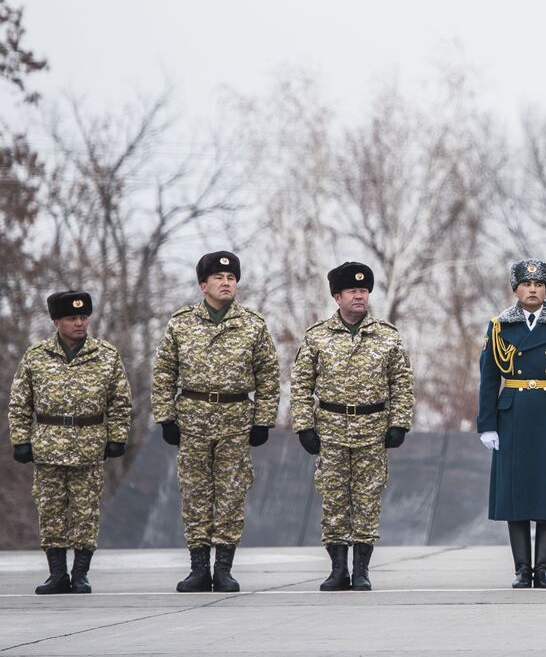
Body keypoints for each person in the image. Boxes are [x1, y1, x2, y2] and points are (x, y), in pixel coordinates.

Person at [151, 251, 280, 593]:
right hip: (192, 418)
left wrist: (263, 421)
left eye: (232, 278)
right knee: (194, 494)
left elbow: (268, 376)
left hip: (236, 419)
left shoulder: (253, 325)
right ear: (203, 285)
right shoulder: (181, 323)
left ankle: (223, 568)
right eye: (219, 278)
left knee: (231, 495)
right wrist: (165, 417)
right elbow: (164, 372)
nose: (226, 283)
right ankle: (198, 569)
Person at [292, 261, 415, 592]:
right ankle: (337, 570)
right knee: (333, 501)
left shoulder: (387, 336)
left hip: (372, 429)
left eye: (364, 290)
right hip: (330, 428)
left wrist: (400, 423)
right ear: (337, 296)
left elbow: (402, 383)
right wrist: (304, 425)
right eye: (352, 291)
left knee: (366, 500)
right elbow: (301, 384)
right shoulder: (317, 336)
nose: (360, 296)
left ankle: (361, 570)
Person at [8, 291, 132, 594]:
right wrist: (20, 440)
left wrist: (117, 436)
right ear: (56, 321)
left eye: (83, 317)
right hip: (48, 445)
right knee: (50, 511)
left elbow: (120, 401)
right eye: (72, 318)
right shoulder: (37, 356)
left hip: (89, 445)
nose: (79, 323)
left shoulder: (105, 354)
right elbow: (20, 402)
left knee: (85, 512)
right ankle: (57, 574)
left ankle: (80, 575)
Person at [477, 259, 546, 589]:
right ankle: (522, 569)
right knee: (516, 493)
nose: (533, 289)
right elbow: (488, 378)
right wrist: (487, 424)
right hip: (513, 414)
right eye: (526, 284)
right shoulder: (499, 327)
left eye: (539, 284)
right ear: (515, 289)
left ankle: (544, 567)